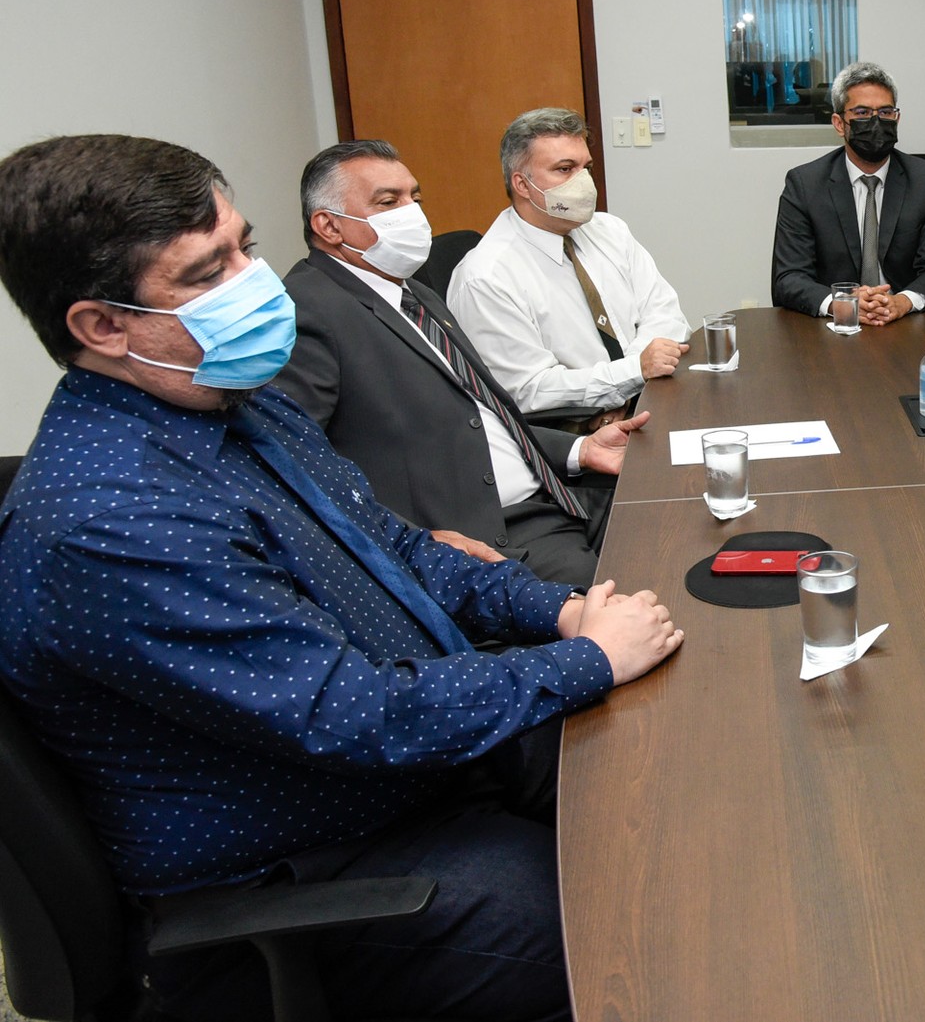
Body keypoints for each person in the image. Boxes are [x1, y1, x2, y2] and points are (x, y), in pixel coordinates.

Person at [0, 134, 684, 1019]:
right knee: (638, 926)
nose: (255, 281)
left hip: (409, 775)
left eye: (245, 245)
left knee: (665, 769)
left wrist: (559, 610)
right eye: (209, 273)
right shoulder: (110, 519)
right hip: (307, 872)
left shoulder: (239, 407)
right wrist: (587, 661)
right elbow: (350, 713)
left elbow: (398, 548)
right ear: (100, 325)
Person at [281, 139, 644, 589]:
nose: (411, 212)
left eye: (414, 197)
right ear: (329, 226)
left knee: (687, 515)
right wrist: (411, 542)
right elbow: (293, 464)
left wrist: (578, 449)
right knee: (644, 593)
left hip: (553, 495)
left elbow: (480, 415)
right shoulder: (307, 308)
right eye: (388, 201)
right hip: (490, 535)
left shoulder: (412, 292)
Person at [448, 107, 690, 420]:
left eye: (585, 167)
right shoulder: (485, 277)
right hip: (579, 440)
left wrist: (639, 374)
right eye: (565, 169)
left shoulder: (609, 230)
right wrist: (634, 370)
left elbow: (664, 312)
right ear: (522, 185)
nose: (584, 182)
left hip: (652, 401)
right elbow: (530, 389)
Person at [770, 61, 925, 326]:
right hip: (833, 328)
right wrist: (843, 304)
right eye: (862, 112)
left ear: (897, 118)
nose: (875, 122)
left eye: (885, 112)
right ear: (839, 123)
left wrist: (901, 302)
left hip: (903, 323)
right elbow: (788, 278)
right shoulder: (804, 184)